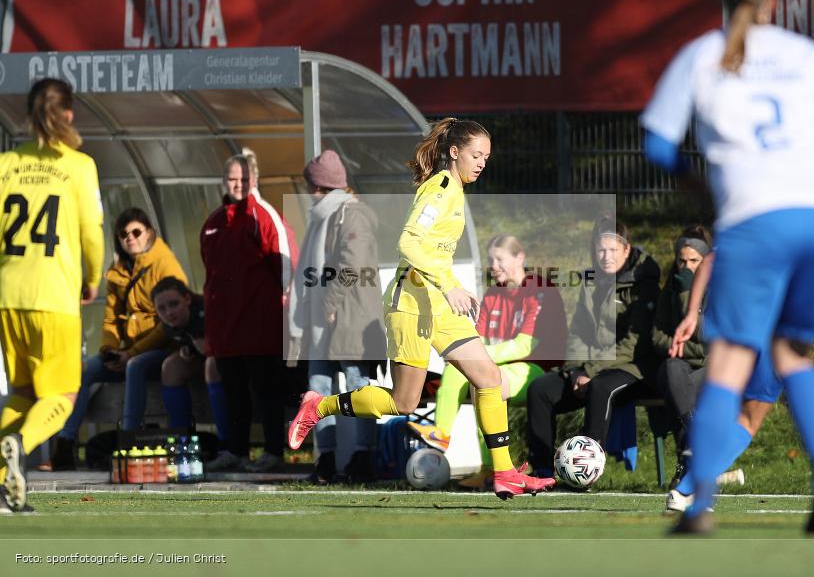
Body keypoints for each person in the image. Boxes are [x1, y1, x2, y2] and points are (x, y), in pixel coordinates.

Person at [642, 0, 814, 534]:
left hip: (755, 218)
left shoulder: (701, 56)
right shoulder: (807, 54)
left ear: (722, 2)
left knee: (730, 365)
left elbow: (657, 145)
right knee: (792, 357)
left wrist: (696, 185)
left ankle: (699, 502)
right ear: (774, 3)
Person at [288, 118, 557, 498]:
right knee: (404, 401)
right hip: (411, 305)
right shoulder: (442, 188)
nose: (482, 162)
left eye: (486, 157)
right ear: (454, 152)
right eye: (476, 155)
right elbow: (410, 244)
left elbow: (434, 251)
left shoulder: (455, 189)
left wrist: (454, 287)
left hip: (439, 306)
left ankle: (504, 471)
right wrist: (450, 286)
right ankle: (319, 405)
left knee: (489, 378)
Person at [665, 249, 814, 513]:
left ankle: (701, 453)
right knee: (749, 418)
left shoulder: (759, 213)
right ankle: (689, 485)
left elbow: (709, 262)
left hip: (736, 322)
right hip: (779, 330)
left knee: (729, 401)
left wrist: (691, 313)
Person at [0, 78, 105, 512]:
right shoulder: (79, 165)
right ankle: (19, 444)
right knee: (62, 397)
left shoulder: (5, 163)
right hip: (54, 295)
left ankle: (5, 481)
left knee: (23, 393)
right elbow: (91, 233)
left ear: (28, 115)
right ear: (68, 115)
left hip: (9, 294)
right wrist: (93, 277)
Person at [408, 234, 567, 488]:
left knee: (488, 382)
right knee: (462, 372)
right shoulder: (493, 293)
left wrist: (477, 358)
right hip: (499, 366)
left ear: (520, 258)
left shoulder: (540, 290)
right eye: (490, 259)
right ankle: (443, 434)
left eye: (499, 259)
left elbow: (525, 346)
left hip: (537, 369)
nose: (493, 265)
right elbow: (476, 339)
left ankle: (497, 468)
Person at [52, 206, 187, 469]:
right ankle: (65, 444)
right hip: (127, 352)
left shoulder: (165, 265)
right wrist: (109, 349)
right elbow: (111, 318)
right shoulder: (118, 270)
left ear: (150, 233)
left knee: (135, 367)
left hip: (162, 351)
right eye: (124, 234)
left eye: (137, 232)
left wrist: (131, 354)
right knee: (87, 368)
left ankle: (129, 442)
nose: (130, 238)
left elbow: (170, 324)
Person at [526, 219, 660, 477]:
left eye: (612, 250)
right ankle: (542, 471)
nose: (606, 257)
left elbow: (633, 344)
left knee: (601, 388)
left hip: (633, 368)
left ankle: (587, 472)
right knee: (540, 390)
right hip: (589, 368)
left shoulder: (645, 286)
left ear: (626, 250)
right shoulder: (590, 282)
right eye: (600, 250)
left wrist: (590, 370)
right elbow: (578, 332)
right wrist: (576, 370)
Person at [289, 150, 385, 484]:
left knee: (357, 387)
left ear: (320, 186)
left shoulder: (351, 215)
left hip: (349, 318)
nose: (305, 193)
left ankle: (362, 457)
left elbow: (352, 265)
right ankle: (325, 458)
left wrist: (328, 302)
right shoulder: (323, 217)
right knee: (317, 390)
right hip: (323, 321)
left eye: (309, 186)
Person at [202, 148, 297, 473]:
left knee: (265, 390)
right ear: (224, 181)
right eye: (232, 179)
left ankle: (273, 451)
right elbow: (210, 273)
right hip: (226, 327)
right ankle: (236, 450)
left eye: (243, 178)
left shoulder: (263, 215)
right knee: (234, 393)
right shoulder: (214, 223)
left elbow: (286, 266)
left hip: (260, 324)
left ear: (253, 180)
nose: (238, 184)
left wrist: (284, 314)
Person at [651, 226, 713, 482]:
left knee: (683, 387)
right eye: (682, 260)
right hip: (681, 365)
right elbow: (657, 336)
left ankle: (686, 463)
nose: (686, 266)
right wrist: (677, 345)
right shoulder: (670, 289)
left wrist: (689, 295)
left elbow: (711, 339)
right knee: (672, 370)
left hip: (712, 365)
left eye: (694, 261)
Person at [151, 277, 230, 464]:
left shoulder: (207, 310)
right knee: (171, 367)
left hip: (235, 363)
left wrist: (210, 347)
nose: (169, 312)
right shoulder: (168, 325)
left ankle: (227, 446)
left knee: (212, 364)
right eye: (162, 308)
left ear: (187, 299)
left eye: (174, 304)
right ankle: (181, 445)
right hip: (203, 361)